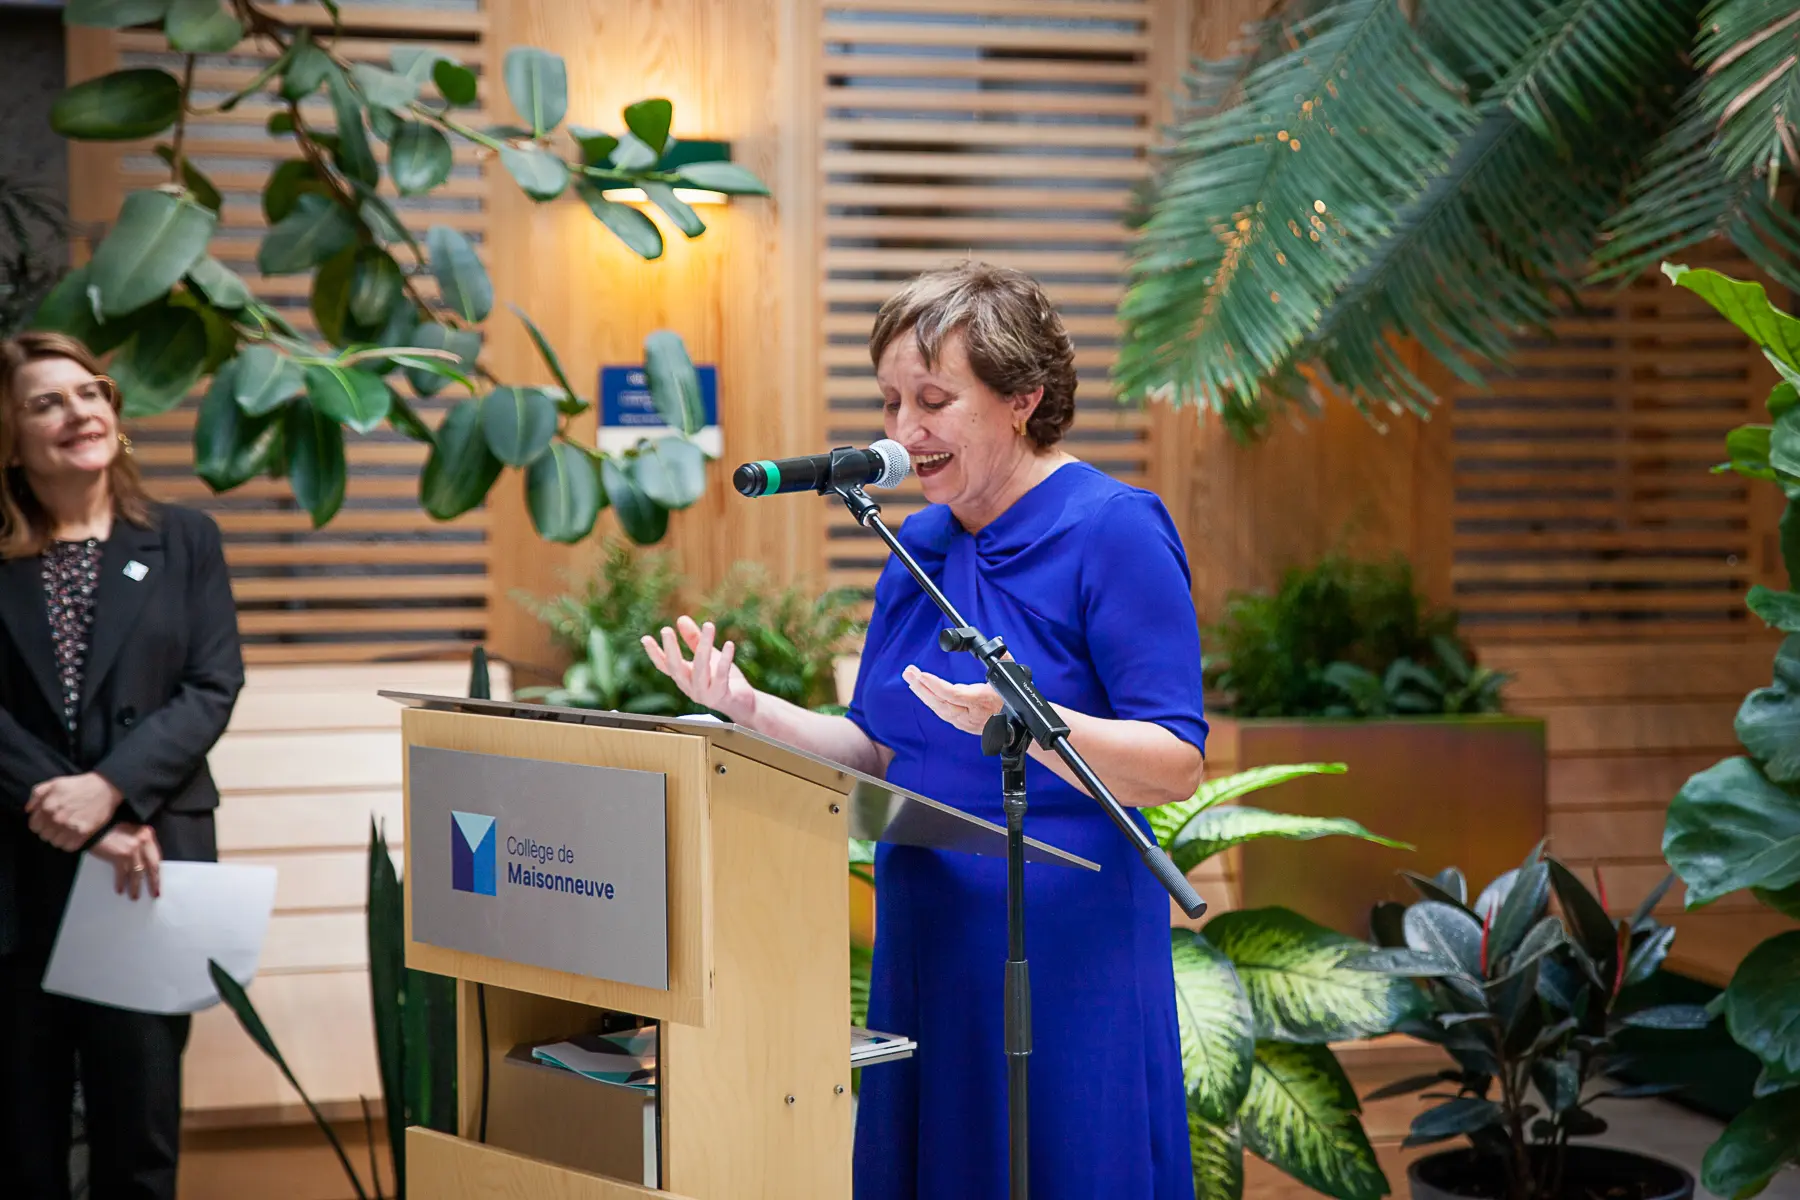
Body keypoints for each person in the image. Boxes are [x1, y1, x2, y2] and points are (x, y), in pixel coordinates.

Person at [643, 262, 1206, 1198]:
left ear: (1023, 399)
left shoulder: (1113, 530)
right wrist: (745, 707)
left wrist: (1031, 723)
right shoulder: (918, 549)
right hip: (928, 928)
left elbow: (1175, 764)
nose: (903, 432)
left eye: (935, 401)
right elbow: (875, 748)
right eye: (892, 401)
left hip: (1064, 939)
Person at [0, 331, 244, 1200]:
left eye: (91, 392)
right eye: (47, 403)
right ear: (10, 439)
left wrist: (107, 795)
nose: (79, 413)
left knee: (138, 1136)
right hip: (16, 873)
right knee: (19, 1141)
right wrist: (68, 814)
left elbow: (212, 685)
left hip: (146, 863)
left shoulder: (186, 539)